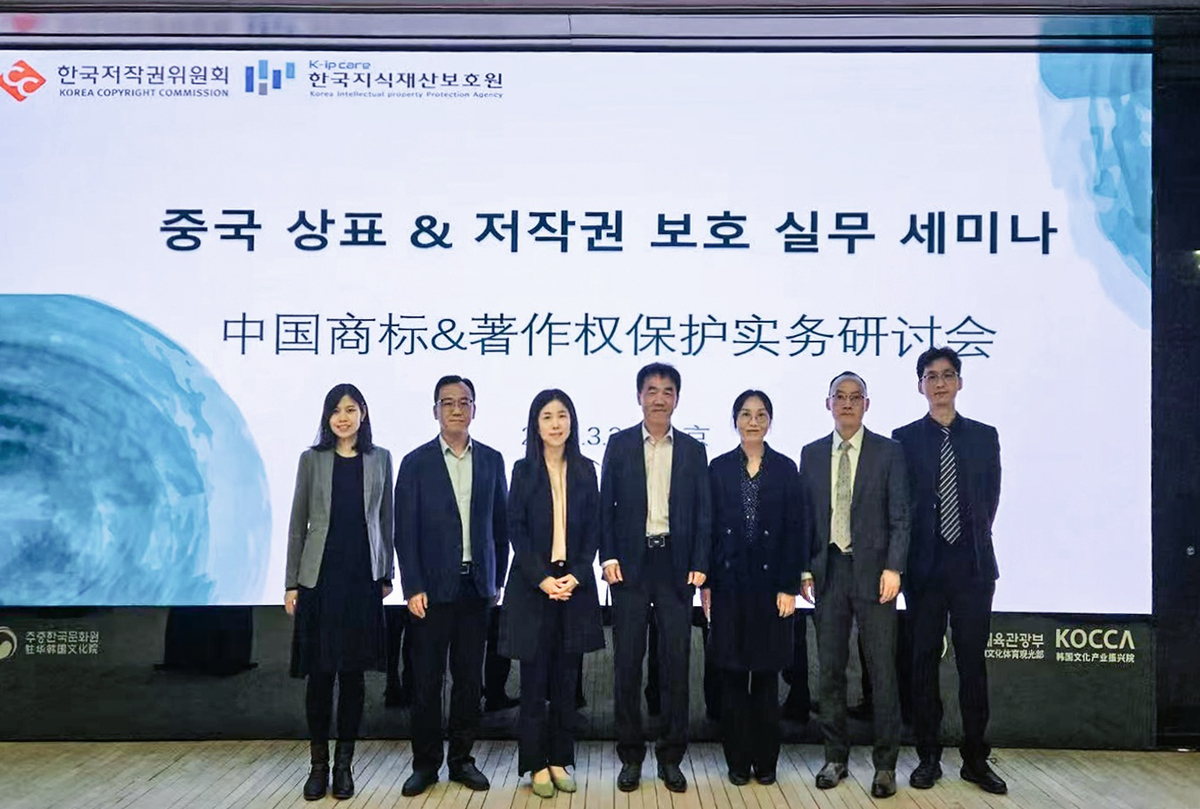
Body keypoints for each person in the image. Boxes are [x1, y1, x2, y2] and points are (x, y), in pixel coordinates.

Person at [892, 347, 1007, 795]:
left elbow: (989, 498)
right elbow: (901, 504)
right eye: (931, 376)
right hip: (924, 568)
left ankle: (976, 759)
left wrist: (965, 538)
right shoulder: (903, 439)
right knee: (923, 664)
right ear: (920, 385)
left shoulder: (984, 436)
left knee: (972, 664)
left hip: (972, 568)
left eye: (947, 375)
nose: (939, 384)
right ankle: (928, 757)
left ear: (959, 382)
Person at [395, 375, 509, 797]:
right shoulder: (416, 462)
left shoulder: (492, 460)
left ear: (474, 409)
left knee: (468, 681)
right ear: (435, 411)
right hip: (430, 592)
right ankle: (425, 765)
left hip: (476, 588)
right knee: (426, 683)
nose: (456, 409)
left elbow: (500, 526)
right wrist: (412, 586)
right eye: (448, 403)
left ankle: (462, 759)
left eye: (464, 402)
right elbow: (404, 531)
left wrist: (497, 579)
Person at [601, 362, 712, 794]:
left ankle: (671, 757)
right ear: (639, 397)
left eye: (667, 391)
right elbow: (606, 505)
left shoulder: (693, 450)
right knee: (627, 664)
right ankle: (631, 757)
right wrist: (608, 555)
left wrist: (700, 561)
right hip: (630, 565)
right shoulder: (619, 445)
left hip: (675, 565)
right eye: (652, 390)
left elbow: (703, 513)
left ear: (677, 398)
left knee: (675, 664)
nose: (659, 398)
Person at [799, 371, 909, 799]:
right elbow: (807, 519)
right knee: (830, 671)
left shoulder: (888, 452)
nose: (847, 403)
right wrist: (804, 569)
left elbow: (900, 515)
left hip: (875, 574)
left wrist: (894, 568)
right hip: (829, 571)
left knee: (881, 672)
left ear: (867, 404)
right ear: (828, 403)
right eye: (839, 396)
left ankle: (885, 766)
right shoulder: (811, 454)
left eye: (855, 396)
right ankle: (835, 757)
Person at [285, 383, 394, 801]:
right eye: (336, 410)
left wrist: (387, 572)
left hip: (362, 580)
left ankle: (344, 766)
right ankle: (318, 766)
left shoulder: (380, 458)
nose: (343, 417)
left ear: (363, 413)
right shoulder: (311, 460)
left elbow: (386, 520)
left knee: (352, 677)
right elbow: (298, 523)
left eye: (350, 409)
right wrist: (291, 582)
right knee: (319, 676)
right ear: (327, 417)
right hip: (320, 580)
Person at [501, 389, 605, 798]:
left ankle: (561, 759)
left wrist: (577, 574)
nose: (556, 423)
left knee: (566, 682)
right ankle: (535, 764)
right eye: (547, 416)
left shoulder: (585, 469)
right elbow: (516, 529)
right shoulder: (523, 470)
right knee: (533, 682)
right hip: (533, 587)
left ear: (572, 422)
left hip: (574, 586)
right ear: (536, 424)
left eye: (562, 415)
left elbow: (595, 528)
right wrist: (542, 579)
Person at [702, 390, 806, 786]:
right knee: (731, 679)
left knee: (764, 679)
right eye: (745, 414)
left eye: (761, 415)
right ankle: (737, 760)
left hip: (770, 588)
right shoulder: (718, 468)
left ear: (770, 421)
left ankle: (766, 761)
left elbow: (796, 530)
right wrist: (707, 584)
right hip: (728, 587)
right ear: (735, 420)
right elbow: (709, 530)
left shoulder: (785, 468)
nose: (753, 422)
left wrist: (789, 585)